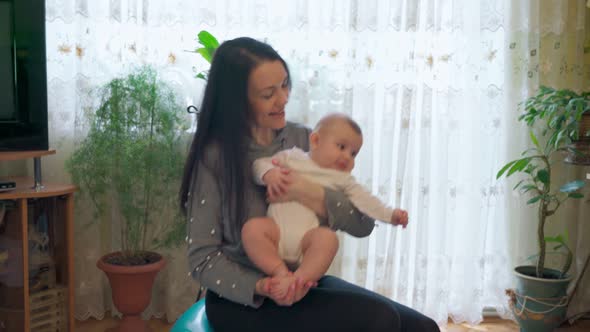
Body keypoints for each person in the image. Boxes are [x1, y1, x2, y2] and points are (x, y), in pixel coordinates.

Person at [179, 36, 440, 332]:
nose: (283, 98)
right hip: (244, 300)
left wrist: (312, 194)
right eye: (268, 94)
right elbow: (202, 259)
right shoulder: (215, 157)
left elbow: (363, 224)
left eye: (285, 84)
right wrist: (266, 285)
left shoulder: (306, 140)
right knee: (380, 319)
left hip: (302, 281)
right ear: (238, 101)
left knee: (423, 328)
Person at [242, 113, 409, 299]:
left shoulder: (343, 179)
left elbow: (367, 202)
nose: (347, 156)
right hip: (275, 235)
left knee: (328, 239)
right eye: (341, 147)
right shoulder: (292, 157)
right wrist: (270, 174)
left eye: (354, 153)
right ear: (315, 140)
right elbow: (259, 164)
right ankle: (280, 272)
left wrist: (391, 215)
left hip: (307, 242)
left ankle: (299, 280)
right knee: (252, 229)